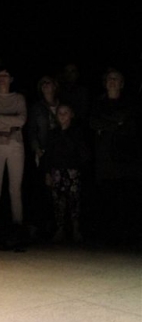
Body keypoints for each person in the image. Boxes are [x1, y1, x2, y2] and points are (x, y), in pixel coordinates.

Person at [89, 68, 142, 246]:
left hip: (125, 156)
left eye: (115, 78)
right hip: (104, 156)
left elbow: (128, 123)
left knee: (124, 195)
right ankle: (107, 236)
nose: (112, 81)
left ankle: (125, 236)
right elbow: (94, 122)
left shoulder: (129, 103)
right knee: (106, 195)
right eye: (109, 78)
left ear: (121, 83)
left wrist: (107, 124)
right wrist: (116, 123)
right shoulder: (98, 102)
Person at [0, 65, 27, 249]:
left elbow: (22, 120)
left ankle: (18, 228)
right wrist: (10, 122)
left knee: (15, 190)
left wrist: (0, 118)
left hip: (16, 145)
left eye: (5, 75)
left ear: (11, 79)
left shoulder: (18, 98)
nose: (2, 78)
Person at [45, 104, 90, 244]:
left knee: (74, 200)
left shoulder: (77, 132)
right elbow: (48, 155)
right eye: (60, 113)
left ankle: (76, 229)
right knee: (58, 201)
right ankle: (60, 229)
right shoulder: (53, 134)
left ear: (71, 114)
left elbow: (83, 153)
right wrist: (47, 173)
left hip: (72, 170)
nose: (62, 115)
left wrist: (78, 168)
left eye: (66, 112)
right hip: (57, 171)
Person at [24, 75, 60, 240]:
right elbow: (32, 130)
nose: (45, 85)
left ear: (55, 86)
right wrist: (37, 149)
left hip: (60, 152)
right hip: (43, 152)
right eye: (43, 83)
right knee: (41, 189)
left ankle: (58, 226)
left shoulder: (61, 105)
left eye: (48, 82)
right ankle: (40, 227)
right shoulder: (37, 108)